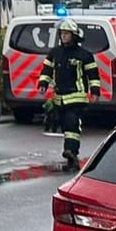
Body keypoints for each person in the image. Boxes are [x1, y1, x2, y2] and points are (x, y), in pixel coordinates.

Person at [39, 21, 101, 170]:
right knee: (64, 126)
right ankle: (71, 158)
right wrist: (43, 83)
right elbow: (47, 69)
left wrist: (95, 91)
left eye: (66, 33)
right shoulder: (55, 52)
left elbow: (93, 75)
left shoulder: (84, 55)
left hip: (76, 97)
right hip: (59, 98)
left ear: (73, 36)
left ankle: (71, 151)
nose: (63, 36)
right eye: (62, 33)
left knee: (71, 123)